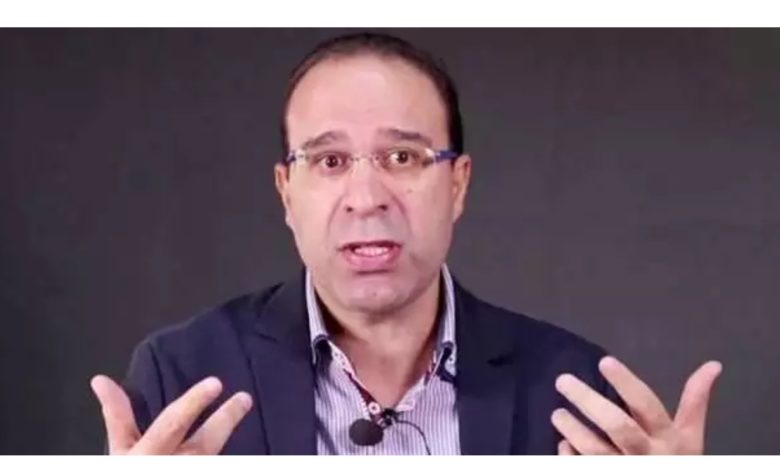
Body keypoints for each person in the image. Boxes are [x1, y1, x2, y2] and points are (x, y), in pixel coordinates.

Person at [90, 32, 722, 455]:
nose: (367, 197)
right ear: (286, 192)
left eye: (403, 156)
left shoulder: (573, 390)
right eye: (330, 161)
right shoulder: (182, 377)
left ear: (458, 184)